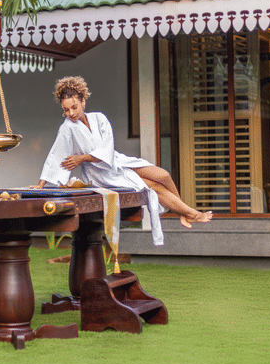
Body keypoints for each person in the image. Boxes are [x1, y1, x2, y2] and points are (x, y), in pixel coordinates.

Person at [34, 76, 212, 245]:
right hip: (100, 174)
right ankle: (192, 213)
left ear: (83, 102)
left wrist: (82, 157)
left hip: (116, 161)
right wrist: (41, 184)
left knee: (163, 175)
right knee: (154, 187)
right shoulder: (67, 128)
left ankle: (182, 212)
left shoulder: (99, 118)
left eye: (74, 107)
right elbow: (55, 155)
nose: (71, 113)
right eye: (66, 109)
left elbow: (107, 149)